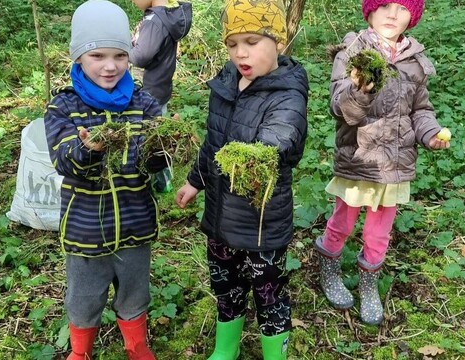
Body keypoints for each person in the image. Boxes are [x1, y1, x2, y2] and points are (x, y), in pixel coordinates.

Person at [175, 0, 308, 358]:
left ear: (278, 42)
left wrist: (256, 155)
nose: (240, 53)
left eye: (251, 41)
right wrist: (194, 181)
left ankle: (275, 352)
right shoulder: (226, 86)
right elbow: (212, 142)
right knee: (225, 284)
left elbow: (281, 139)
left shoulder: (288, 95)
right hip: (221, 217)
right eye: (233, 44)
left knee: (269, 291)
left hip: (262, 223)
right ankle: (226, 348)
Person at [44, 1, 168, 358]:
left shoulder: (143, 103)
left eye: (119, 55)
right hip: (86, 230)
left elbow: (156, 163)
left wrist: (165, 147)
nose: (110, 66)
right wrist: (90, 150)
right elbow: (65, 161)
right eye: (97, 55)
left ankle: (136, 344)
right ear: (79, 57)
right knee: (84, 297)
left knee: (134, 292)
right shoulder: (64, 107)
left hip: (135, 223)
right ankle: (80, 350)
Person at [315, 0, 450, 326]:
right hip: (359, 160)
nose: (393, 13)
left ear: (413, 16)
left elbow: (420, 110)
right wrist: (360, 90)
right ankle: (328, 267)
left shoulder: (415, 62)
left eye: (403, 7)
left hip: (394, 166)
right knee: (343, 221)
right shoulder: (353, 52)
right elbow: (340, 106)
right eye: (385, 4)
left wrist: (430, 133)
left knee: (379, 233)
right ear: (370, 11)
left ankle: (368, 282)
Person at [130, 0, 193, 193]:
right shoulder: (167, 16)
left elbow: (140, 57)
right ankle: (161, 175)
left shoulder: (154, 20)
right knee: (157, 132)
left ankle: (161, 178)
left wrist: (123, 50)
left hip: (148, 90)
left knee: (152, 137)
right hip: (160, 87)